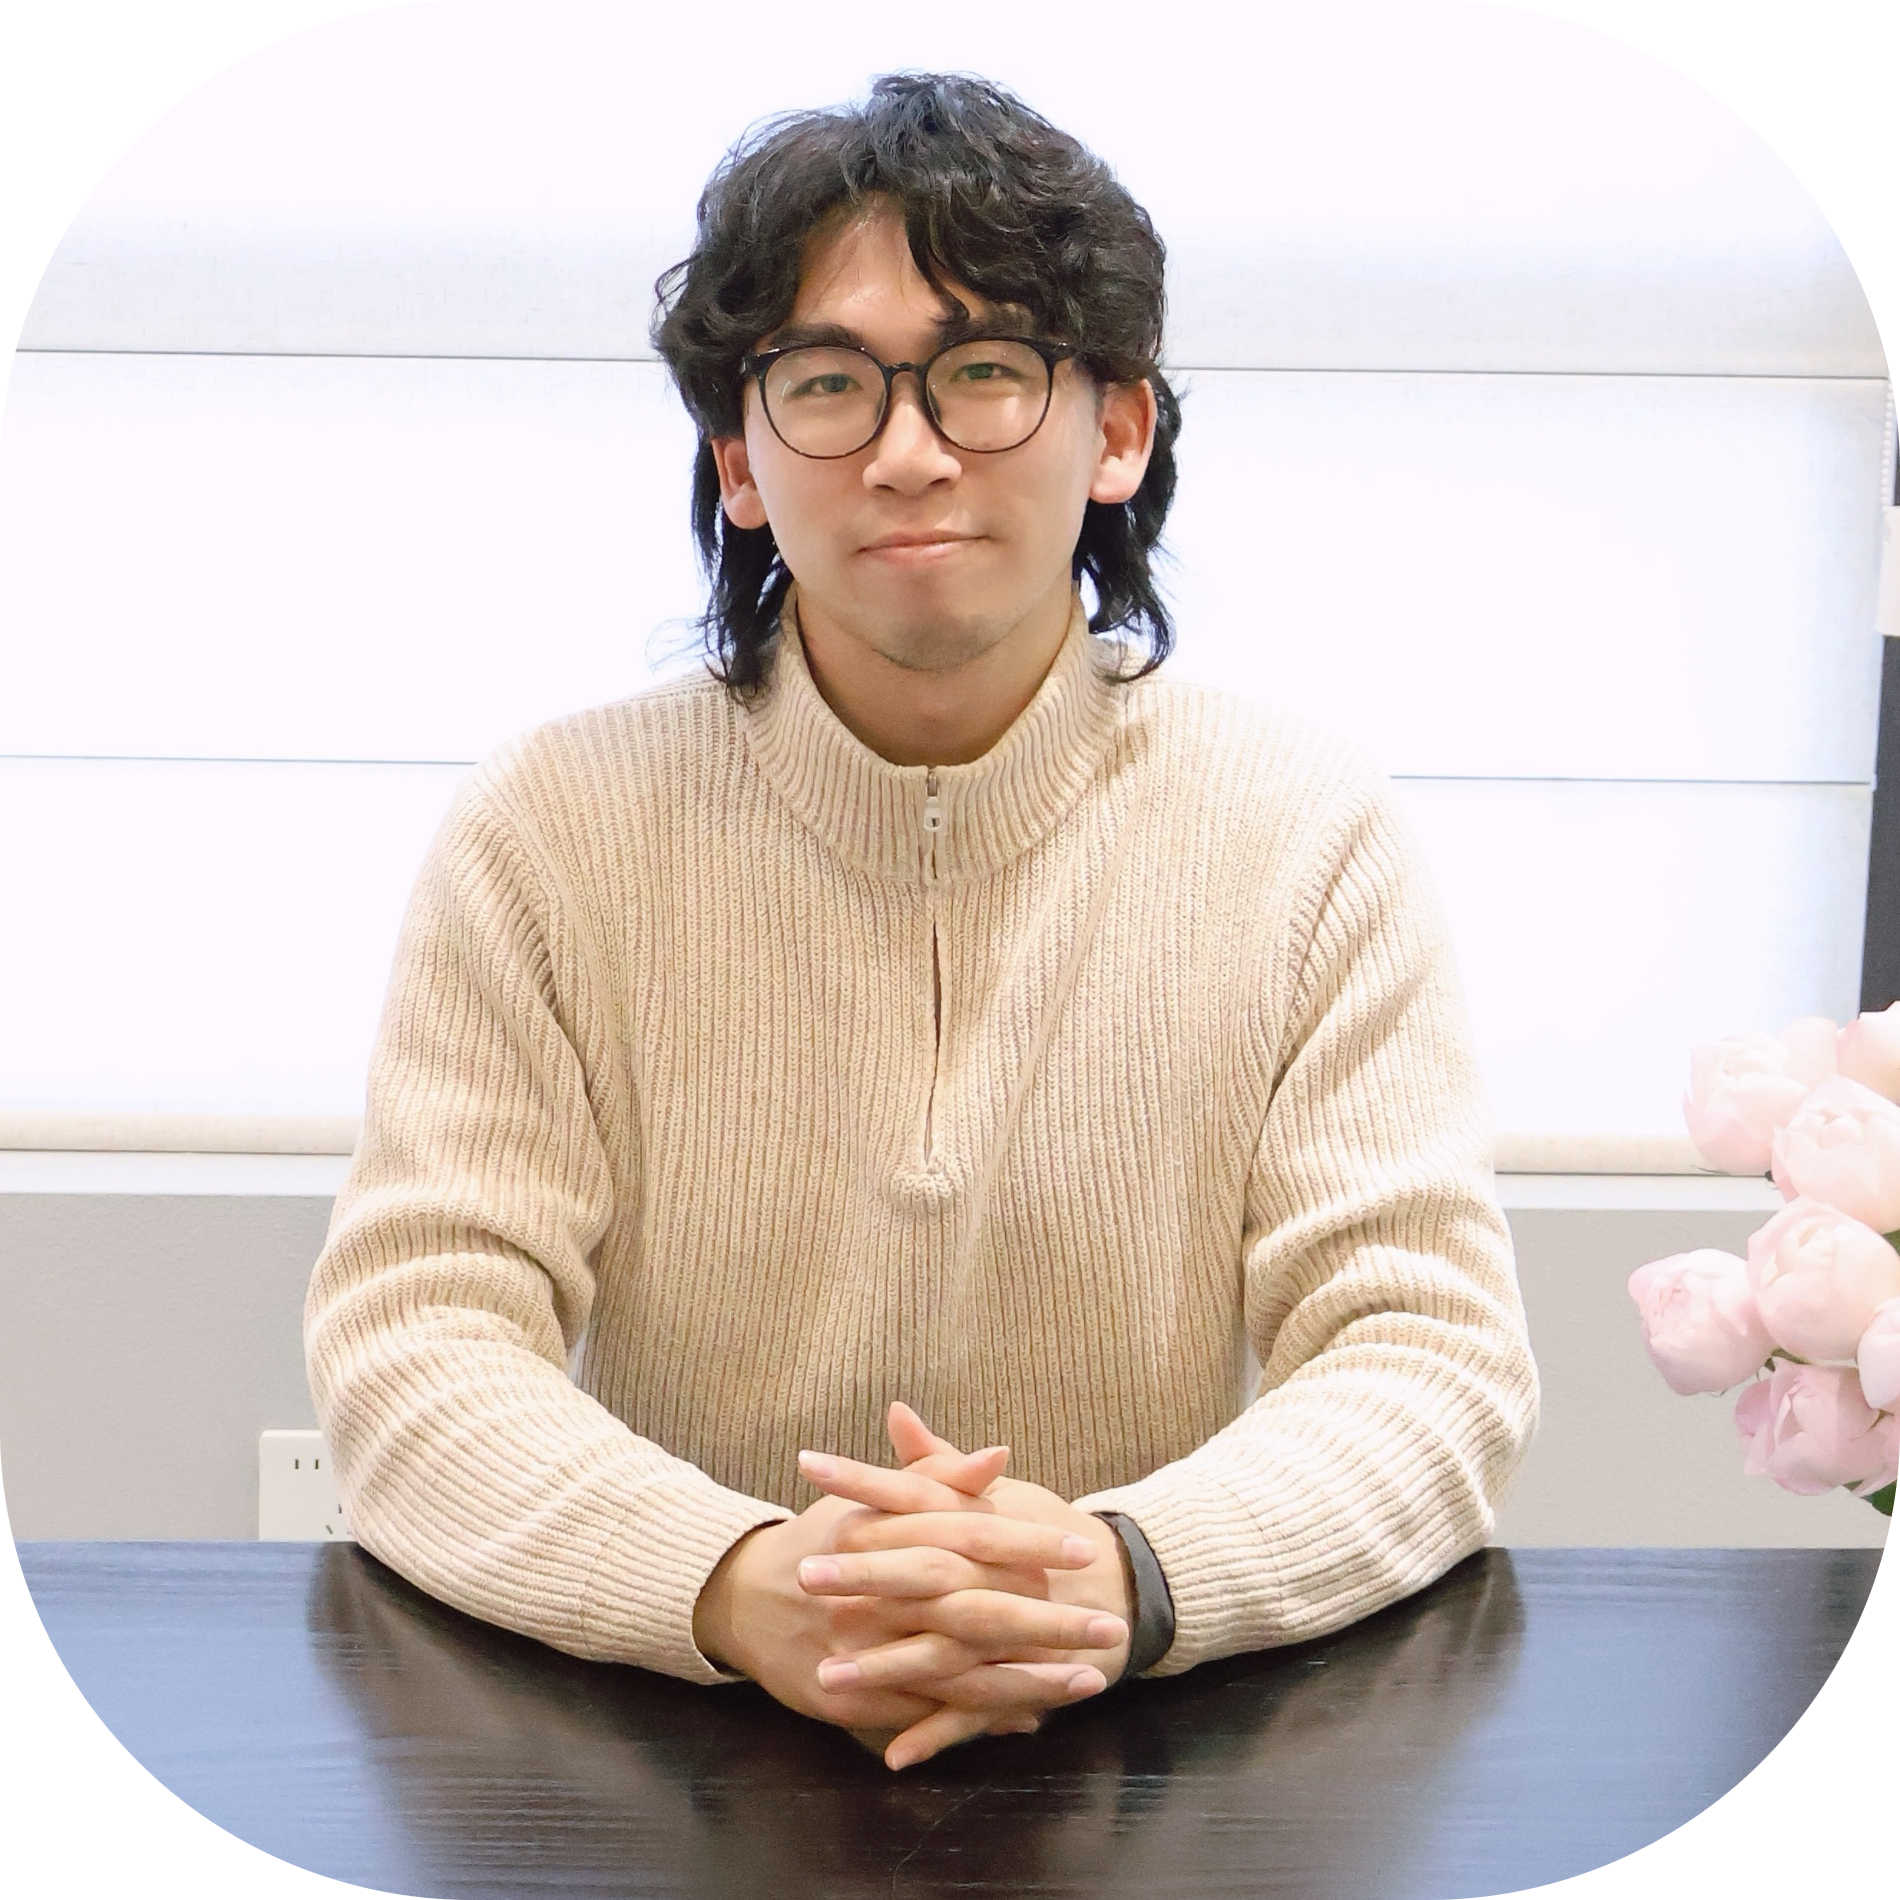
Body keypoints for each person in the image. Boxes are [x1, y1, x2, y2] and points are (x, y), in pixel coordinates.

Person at [305, 72, 1539, 1774]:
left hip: (1149, 1748)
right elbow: (414, 1339)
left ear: (1120, 432)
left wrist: (1116, 1576)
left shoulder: (1306, 828)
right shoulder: (553, 824)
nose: (906, 451)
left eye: (985, 371)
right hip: (673, 1740)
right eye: (827, 384)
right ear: (739, 462)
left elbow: (1427, 1355)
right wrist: (742, 1583)